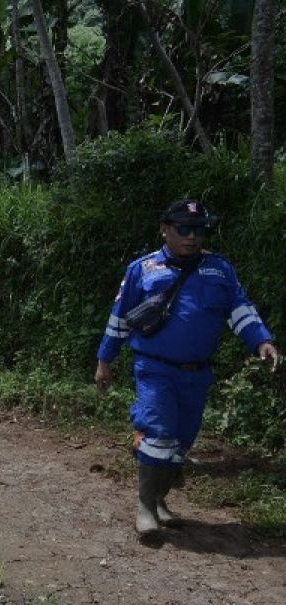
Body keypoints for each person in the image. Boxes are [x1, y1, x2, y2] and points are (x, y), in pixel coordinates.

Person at [95, 199, 279, 541]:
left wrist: (261, 342)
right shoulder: (143, 269)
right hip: (155, 369)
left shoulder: (220, 270)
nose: (192, 237)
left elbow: (240, 309)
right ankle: (145, 508)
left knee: (180, 442)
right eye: (184, 229)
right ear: (165, 229)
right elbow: (119, 319)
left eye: (199, 230)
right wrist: (105, 361)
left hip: (197, 374)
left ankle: (161, 502)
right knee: (158, 432)